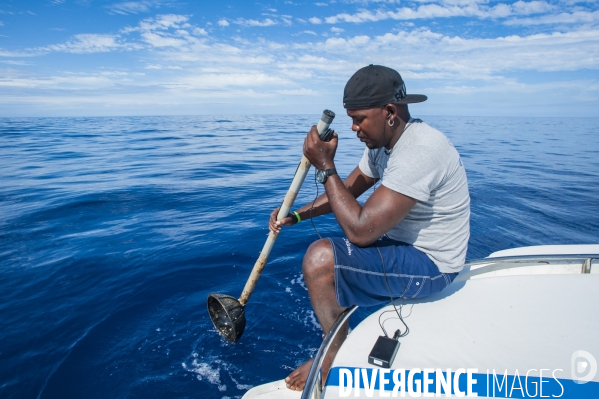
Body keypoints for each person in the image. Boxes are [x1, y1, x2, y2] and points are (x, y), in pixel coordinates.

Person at [269, 64, 470, 391]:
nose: (353, 128)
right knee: (336, 253)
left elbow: (361, 231)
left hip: (433, 265)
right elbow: (345, 194)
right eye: (350, 118)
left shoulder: (421, 150)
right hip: (401, 246)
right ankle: (339, 329)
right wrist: (297, 215)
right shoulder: (384, 147)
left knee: (321, 260)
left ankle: (329, 357)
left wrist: (324, 165)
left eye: (359, 118)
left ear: (389, 112)